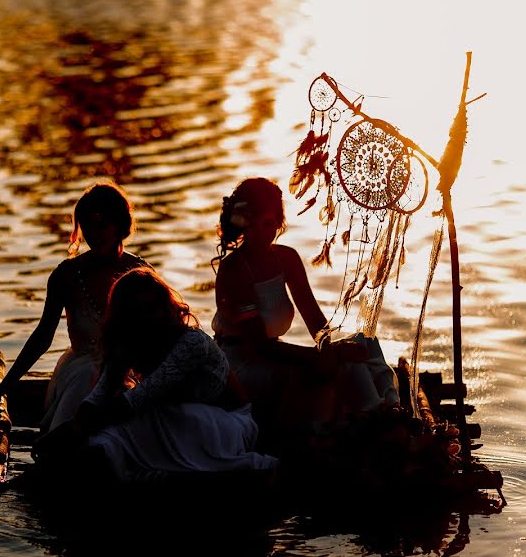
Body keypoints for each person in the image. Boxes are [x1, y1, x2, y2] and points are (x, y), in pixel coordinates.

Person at [34, 267, 278, 482]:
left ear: (165, 307)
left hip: (228, 425)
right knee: (106, 440)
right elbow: (99, 395)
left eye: (153, 308)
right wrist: (68, 428)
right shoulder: (127, 342)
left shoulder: (191, 342)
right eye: (137, 311)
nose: (147, 317)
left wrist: (76, 430)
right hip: (172, 421)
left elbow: (139, 398)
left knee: (152, 414)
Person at [211, 177, 399, 439]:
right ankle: (377, 419)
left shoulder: (286, 257)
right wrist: (322, 358)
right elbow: (258, 346)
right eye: (254, 225)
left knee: (365, 343)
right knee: (342, 366)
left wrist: (330, 347)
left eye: (269, 224)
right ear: (242, 223)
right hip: (244, 366)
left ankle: (392, 408)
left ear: (278, 222)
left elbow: (313, 318)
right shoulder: (234, 270)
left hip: (274, 353)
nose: (263, 233)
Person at [0, 181, 151, 432]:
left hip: (127, 375)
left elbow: (159, 337)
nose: (94, 235)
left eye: (102, 225)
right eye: (87, 226)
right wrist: (5, 386)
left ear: (119, 224)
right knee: (89, 377)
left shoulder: (142, 275)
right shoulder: (66, 275)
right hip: (81, 374)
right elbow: (42, 337)